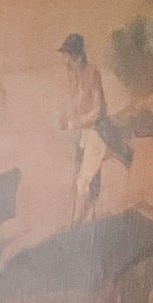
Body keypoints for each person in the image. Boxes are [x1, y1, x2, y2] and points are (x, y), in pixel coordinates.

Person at [57, 33, 132, 224]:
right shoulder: (72, 75)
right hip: (84, 134)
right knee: (81, 180)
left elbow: (98, 110)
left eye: (68, 56)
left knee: (83, 181)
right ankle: (85, 221)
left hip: (97, 132)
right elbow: (72, 105)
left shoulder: (91, 72)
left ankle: (75, 225)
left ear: (78, 56)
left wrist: (77, 122)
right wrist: (66, 119)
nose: (66, 61)